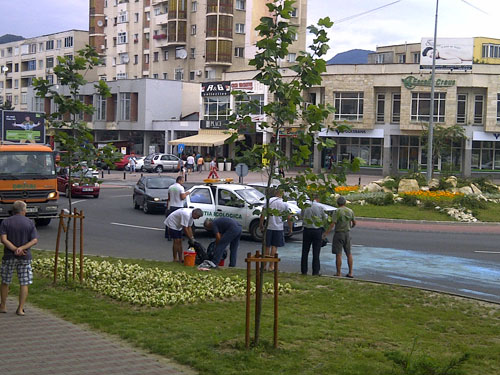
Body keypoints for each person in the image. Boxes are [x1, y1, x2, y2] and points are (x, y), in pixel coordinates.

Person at [0, 201, 38, 315]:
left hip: (8, 256)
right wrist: (21, 248)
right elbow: (34, 240)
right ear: (23, 210)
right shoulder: (30, 223)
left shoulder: (6, 222)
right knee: (24, 282)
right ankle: (20, 308)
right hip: (25, 256)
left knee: (5, 281)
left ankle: (3, 305)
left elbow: (3, 239)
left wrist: (14, 249)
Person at [259, 188, 292, 271]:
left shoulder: (269, 201)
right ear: (282, 193)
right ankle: (271, 266)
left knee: (267, 246)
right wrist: (290, 228)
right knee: (274, 246)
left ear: (275, 193)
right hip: (278, 227)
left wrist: (261, 224)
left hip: (269, 226)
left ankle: (264, 266)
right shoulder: (284, 203)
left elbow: (263, 214)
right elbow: (288, 217)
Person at [300, 195, 334, 276]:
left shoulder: (305, 206)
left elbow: (301, 216)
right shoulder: (320, 207)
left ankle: (304, 270)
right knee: (316, 252)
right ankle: (315, 271)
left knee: (305, 251)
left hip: (307, 230)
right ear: (317, 199)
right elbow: (325, 218)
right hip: (317, 230)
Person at [332, 196, 356, 278]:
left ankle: (338, 273)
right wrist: (350, 227)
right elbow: (354, 222)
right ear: (345, 202)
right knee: (349, 253)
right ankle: (351, 272)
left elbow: (333, 223)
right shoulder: (350, 211)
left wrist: (326, 232)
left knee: (338, 254)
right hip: (347, 233)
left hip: (339, 233)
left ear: (338, 203)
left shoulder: (337, 211)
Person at [165, 176, 190, 240]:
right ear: (179, 180)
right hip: (179, 207)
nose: (183, 182)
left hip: (171, 206)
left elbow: (169, 198)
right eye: (182, 181)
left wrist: (168, 206)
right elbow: (182, 197)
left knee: (171, 221)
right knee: (178, 222)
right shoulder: (181, 188)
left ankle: (169, 235)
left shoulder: (171, 187)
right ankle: (178, 236)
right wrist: (186, 193)